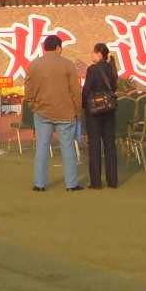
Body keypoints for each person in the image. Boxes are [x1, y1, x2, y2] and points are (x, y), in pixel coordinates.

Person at [24, 35, 84, 192]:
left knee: (42, 148)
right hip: (65, 112)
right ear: (58, 48)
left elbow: (28, 89)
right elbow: (75, 91)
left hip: (42, 111)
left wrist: (32, 105)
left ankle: (39, 184)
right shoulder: (68, 65)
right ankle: (71, 184)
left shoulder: (34, 64)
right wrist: (77, 110)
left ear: (44, 48)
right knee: (68, 148)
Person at [83, 43, 118, 189]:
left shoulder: (92, 69)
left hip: (95, 111)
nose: (91, 55)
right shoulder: (112, 68)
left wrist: (84, 106)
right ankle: (113, 181)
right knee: (110, 146)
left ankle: (96, 182)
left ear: (99, 54)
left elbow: (86, 90)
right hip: (109, 110)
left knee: (95, 146)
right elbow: (114, 87)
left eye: (93, 52)